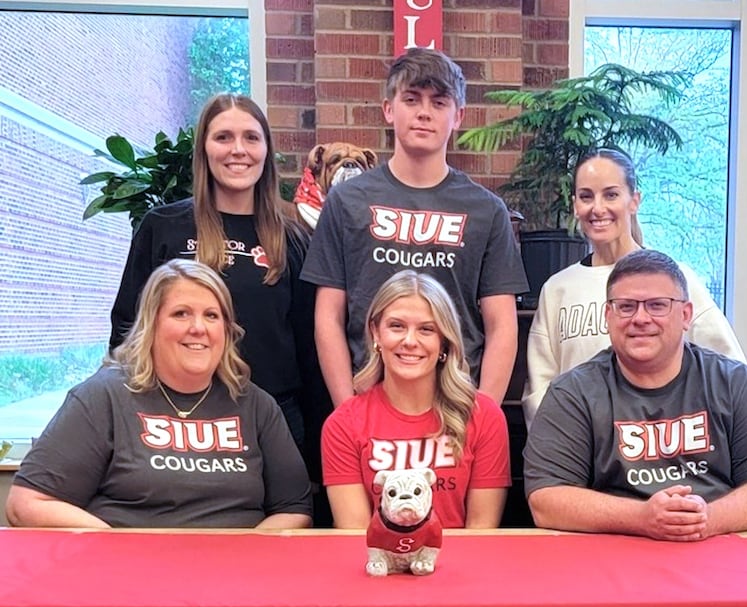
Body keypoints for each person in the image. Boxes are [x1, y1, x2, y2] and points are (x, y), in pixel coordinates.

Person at [6, 260, 312, 529]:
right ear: (151, 325)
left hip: (233, 579)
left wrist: (245, 553)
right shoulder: (104, 396)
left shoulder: (257, 405)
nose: (198, 328)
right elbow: (27, 503)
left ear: (227, 330)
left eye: (211, 315)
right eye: (181, 313)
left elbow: (295, 510)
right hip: (129, 579)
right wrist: (115, 547)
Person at [301, 47, 529, 408]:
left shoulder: (487, 211)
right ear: (389, 109)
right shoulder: (346, 202)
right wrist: (347, 410)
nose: (424, 112)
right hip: (369, 400)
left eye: (439, 103)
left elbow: (502, 325)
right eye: (411, 99)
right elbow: (328, 316)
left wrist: (482, 416)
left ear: (458, 116)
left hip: (455, 404)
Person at [523, 249, 747, 541]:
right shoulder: (572, 394)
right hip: (615, 549)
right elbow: (546, 501)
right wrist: (642, 519)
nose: (641, 318)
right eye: (626, 306)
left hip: (717, 545)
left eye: (657, 305)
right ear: (608, 315)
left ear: (686, 315)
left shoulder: (735, 383)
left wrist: (706, 520)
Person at [108, 93, 323, 454]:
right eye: (223, 137)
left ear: (266, 150)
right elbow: (127, 330)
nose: (238, 149)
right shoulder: (163, 227)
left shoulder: (294, 238)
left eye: (251, 138)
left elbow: (310, 348)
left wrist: (318, 452)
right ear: (204, 149)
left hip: (274, 421)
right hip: (179, 418)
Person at [521, 147, 745, 425]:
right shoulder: (557, 290)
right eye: (586, 196)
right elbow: (540, 393)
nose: (598, 208)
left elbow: (730, 371)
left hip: (663, 456)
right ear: (575, 205)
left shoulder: (676, 280)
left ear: (634, 201)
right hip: (582, 456)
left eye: (611, 194)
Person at [321, 269, 510, 529]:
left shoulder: (483, 415)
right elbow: (357, 537)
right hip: (378, 566)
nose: (410, 341)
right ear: (376, 332)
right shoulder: (343, 424)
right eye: (396, 326)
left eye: (426, 329)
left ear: (444, 341)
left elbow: (481, 531)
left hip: (461, 565)